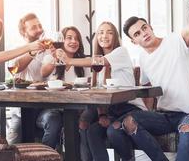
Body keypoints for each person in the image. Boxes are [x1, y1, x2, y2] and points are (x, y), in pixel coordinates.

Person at [109, 0, 189, 161]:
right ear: (134, 41)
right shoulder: (143, 58)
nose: (143, 34)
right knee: (127, 122)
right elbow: (147, 91)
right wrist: (145, 114)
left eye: (144, 28)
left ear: (150, 26)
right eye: (137, 34)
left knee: (186, 132)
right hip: (164, 115)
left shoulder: (175, 41)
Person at [57, 22, 147, 161]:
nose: (104, 36)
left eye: (109, 32)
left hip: (130, 108)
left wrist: (69, 60)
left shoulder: (120, 52)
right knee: (90, 129)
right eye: (100, 32)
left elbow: (99, 61)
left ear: (115, 36)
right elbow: (99, 93)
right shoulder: (98, 66)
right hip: (111, 110)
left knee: (89, 121)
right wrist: (102, 114)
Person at [37, 26, 90, 149]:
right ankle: (46, 157)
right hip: (50, 109)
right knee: (54, 120)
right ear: (62, 41)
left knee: (76, 122)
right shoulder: (50, 58)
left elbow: (87, 86)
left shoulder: (82, 62)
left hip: (74, 109)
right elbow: (43, 73)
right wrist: (55, 56)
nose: (73, 41)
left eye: (76, 39)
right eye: (69, 38)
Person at [6, 12, 46, 144]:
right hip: (21, 109)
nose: (39, 29)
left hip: (45, 106)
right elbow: (14, 68)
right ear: (24, 32)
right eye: (33, 28)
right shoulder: (18, 49)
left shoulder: (48, 49)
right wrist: (32, 51)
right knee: (11, 148)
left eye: (39, 25)